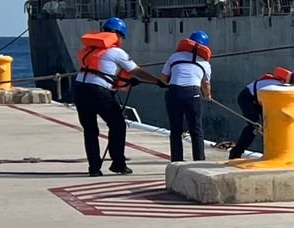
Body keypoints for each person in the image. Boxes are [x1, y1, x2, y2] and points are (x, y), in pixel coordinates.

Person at [73, 17, 161, 176]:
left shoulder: (90, 49)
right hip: (98, 91)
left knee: (90, 130)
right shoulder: (116, 52)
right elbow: (137, 71)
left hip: (79, 89)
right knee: (118, 125)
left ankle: (94, 168)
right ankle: (118, 164)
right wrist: (157, 81)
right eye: (121, 37)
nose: (121, 40)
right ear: (117, 34)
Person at [228, 67, 294, 159]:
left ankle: (272, 152)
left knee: (269, 126)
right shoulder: (277, 86)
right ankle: (236, 153)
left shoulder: (283, 84)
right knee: (254, 126)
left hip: (261, 101)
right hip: (248, 99)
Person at [161, 29, 213, 162]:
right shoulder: (205, 63)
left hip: (174, 93)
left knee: (176, 130)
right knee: (196, 130)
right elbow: (205, 84)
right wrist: (207, 96)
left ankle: (177, 160)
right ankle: (199, 161)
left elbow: (163, 78)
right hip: (193, 94)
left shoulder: (174, 57)